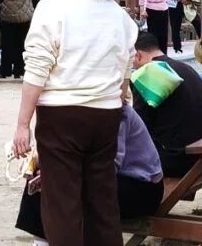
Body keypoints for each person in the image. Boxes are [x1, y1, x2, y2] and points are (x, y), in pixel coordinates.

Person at [12, 0, 139, 245]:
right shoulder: (118, 14)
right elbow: (125, 73)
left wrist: (22, 124)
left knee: (62, 202)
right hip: (106, 114)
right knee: (102, 201)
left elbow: (37, 69)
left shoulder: (52, 7)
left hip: (61, 116)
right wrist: (116, 103)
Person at [15, 104, 164, 243]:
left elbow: (110, 165)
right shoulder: (71, 110)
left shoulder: (115, 111)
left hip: (142, 187)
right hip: (109, 177)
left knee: (60, 185)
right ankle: (41, 242)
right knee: (42, 180)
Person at [131, 31, 202, 176]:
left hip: (176, 160)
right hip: (201, 155)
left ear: (138, 55)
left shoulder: (147, 74)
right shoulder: (186, 68)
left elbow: (138, 127)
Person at [0, 0, 41, 79]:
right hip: (22, 19)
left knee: (6, 45)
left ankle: (5, 70)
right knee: (21, 45)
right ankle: (19, 70)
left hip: (5, 18)